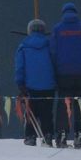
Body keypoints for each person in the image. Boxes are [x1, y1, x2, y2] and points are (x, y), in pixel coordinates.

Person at [50, 2, 81, 148]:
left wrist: (55, 70)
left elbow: (53, 52)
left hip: (63, 73)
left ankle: (62, 133)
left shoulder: (57, 29)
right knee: (80, 103)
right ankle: (80, 134)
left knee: (64, 104)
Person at [14, 19, 56, 147]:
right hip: (48, 86)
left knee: (31, 112)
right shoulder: (50, 46)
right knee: (47, 113)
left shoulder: (23, 46)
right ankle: (48, 135)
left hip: (30, 86)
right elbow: (55, 64)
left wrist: (20, 84)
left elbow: (20, 67)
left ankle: (30, 136)